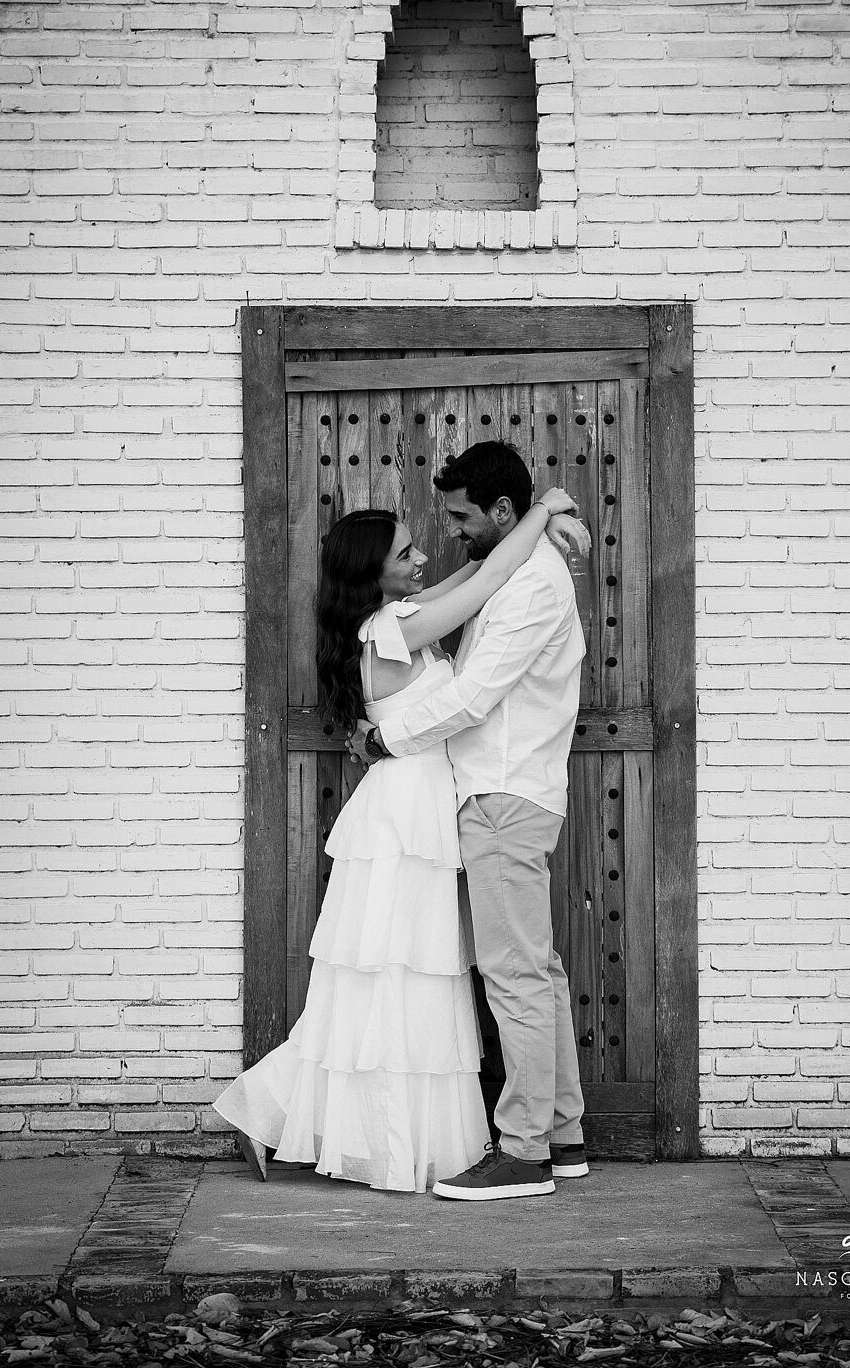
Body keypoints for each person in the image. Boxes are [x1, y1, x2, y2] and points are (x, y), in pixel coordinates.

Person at [212, 483, 585, 1194]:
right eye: (405, 553)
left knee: (402, 971)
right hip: (404, 815)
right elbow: (491, 578)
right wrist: (544, 511)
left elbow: (478, 572)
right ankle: (320, 1121)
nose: (421, 559)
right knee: (392, 974)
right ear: (371, 572)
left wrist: (544, 522)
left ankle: (277, 1110)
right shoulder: (388, 630)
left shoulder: (400, 616)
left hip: (420, 806)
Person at [349, 441, 589, 1203]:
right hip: (507, 792)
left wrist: (388, 738)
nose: (449, 531)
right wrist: (554, 508)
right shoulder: (520, 569)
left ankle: (522, 1153)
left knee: (515, 973)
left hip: (502, 798)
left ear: (500, 513)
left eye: (458, 516)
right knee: (536, 969)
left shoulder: (529, 588)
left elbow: (475, 695)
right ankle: (561, 1132)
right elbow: (481, 574)